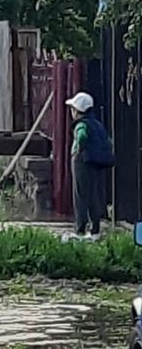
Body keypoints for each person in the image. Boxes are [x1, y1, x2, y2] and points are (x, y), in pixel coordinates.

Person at [66, 92, 114, 241]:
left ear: (77, 110)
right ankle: (95, 228)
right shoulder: (97, 124)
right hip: (95, 163)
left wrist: (78, 149)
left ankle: (80, 228)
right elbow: (108, 141)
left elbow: (81, 136)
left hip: (82, 162)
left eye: (73, 109)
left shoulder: (82, 125)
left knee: (80, 195)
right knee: (94, 195)